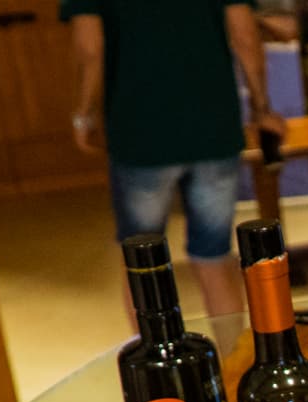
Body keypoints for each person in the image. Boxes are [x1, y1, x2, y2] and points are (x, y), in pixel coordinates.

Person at [63, 0, 286, 319]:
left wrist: (84, 113)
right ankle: (231, 347)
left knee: (143, 260)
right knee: (214, 256)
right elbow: (245, 35)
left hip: (141, 133)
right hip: (214, 127)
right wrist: (261, 108)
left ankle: (154, 350)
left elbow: (90, 48)